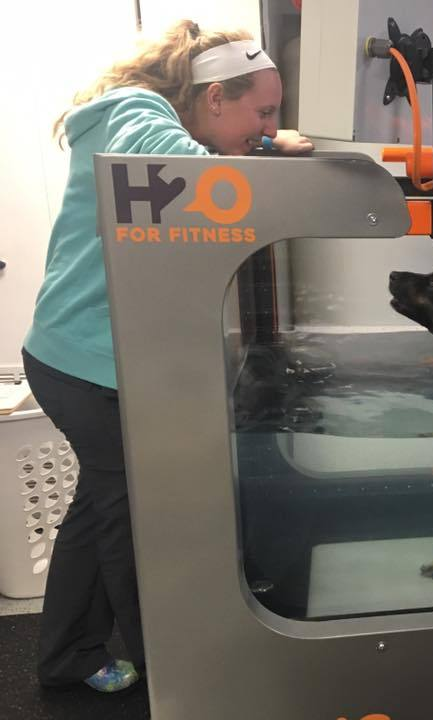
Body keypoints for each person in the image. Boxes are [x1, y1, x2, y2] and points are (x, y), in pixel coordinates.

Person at [21, 19, 313, 693]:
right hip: (84, 366)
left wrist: (259, 143)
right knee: (132, 517)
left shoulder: (147, 121)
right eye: (262, 112)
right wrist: (272, 152)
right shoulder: (135, 113)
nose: (268, 125)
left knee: (101, 507)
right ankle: (175, 670)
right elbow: (177, 169)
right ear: (214, 98)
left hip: (83, 358)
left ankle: (68, 656)